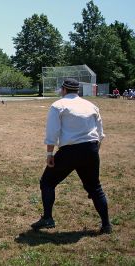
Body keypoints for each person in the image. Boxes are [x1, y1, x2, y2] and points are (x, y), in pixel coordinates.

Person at [31, 78, 112, 234]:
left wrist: (49, 153)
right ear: (77, 90)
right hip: (91, 149)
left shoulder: (58, 105)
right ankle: (106, 224)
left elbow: (52, 132)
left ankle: (47, 218)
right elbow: (100, 133)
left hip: (70, 151)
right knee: (95, 188)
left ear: (64, 90)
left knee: (47, 182)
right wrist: (94, 151)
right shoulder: (91, 105)